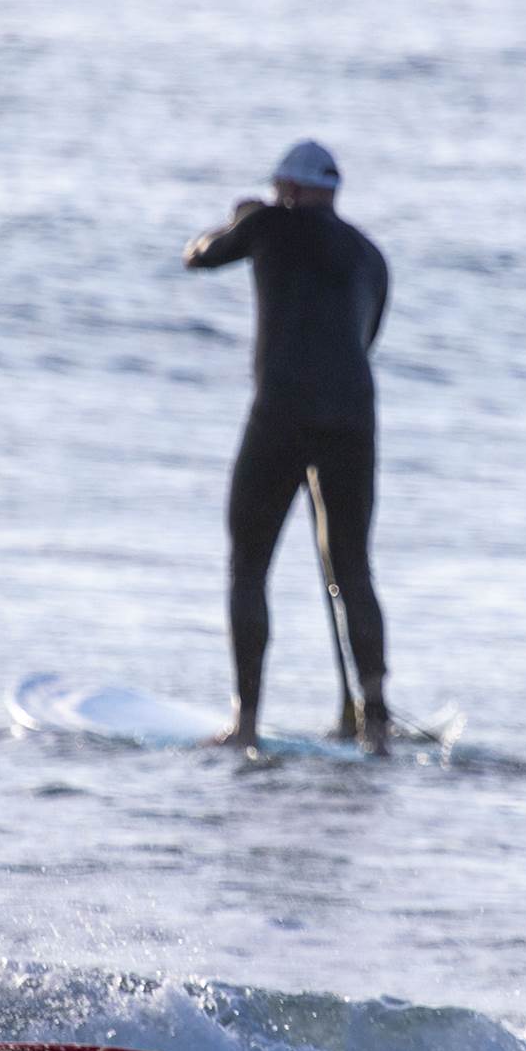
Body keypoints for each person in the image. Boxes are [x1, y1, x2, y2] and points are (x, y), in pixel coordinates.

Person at [182, 138, 392, 754]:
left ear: (292, 190)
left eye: (279, 191)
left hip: (283, 412)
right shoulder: (371, 256)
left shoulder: (270, 224)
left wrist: (240, 219)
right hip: (352, 415)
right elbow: (364, 337)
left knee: (249, 566)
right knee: (352, 569)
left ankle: (245, 724)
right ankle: (375, 724)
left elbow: (199, 256)